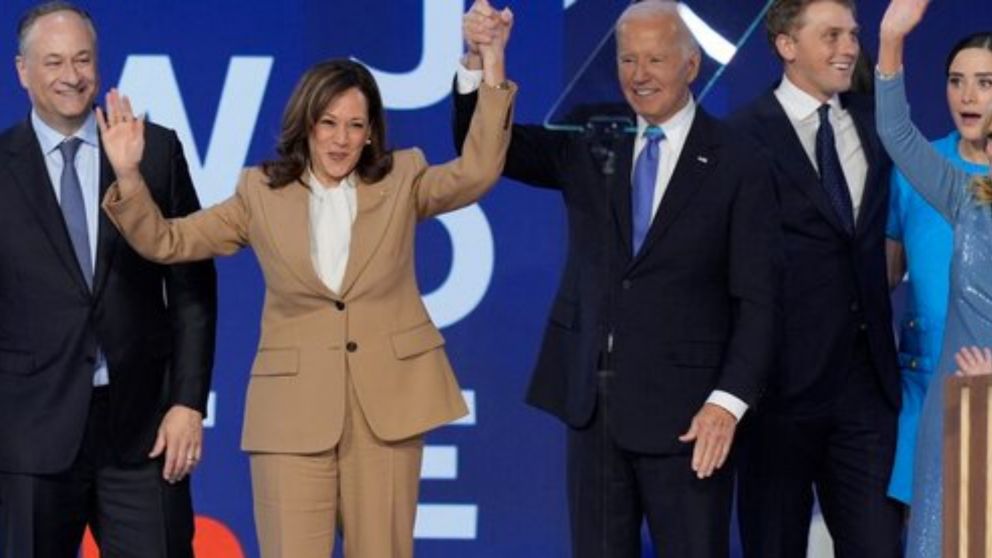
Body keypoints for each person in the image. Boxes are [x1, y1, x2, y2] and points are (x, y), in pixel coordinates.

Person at [95, 11, 516, 556]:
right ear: (306, 125)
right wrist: (129, 176)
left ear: (371, 133)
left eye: (355, 126)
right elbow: (167, 242)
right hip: (290, 417)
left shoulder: (402, 178)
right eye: (328, 123)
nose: (341, 139)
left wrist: (491, 61)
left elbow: (478, 171)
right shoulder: (260, 193)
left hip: (384, 412)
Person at [457, 1, 782, 555]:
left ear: (691, 65)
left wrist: (727, 403)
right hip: (596, 411)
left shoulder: (739, 161)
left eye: (655, 59)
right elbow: (490, 151)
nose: (639, 74)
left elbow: (760, 299)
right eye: (628, 59)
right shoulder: (593, 140)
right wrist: (482, 61)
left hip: (690, 418)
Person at [0, 2, 217, 557]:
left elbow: (192, 289)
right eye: (53, 62)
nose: (71, 76)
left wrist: (188, 403)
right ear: (23, 71)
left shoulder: (155, 152)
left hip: (145, 432)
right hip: (29, 438)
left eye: (82, 59)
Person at [729, 1, 904, 556]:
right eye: (831, 36)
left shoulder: (879, 123)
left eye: (852, 34)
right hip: (777, 391)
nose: (849, 48)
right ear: (786, 45)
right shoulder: (740, 137)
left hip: (865, 389)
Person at [876, 0, 992, 554]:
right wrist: (891, 37)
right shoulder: (966, 197)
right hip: (961, 410)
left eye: (985, 84)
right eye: (958, 81)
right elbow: (896, 133)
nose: (970, 97)